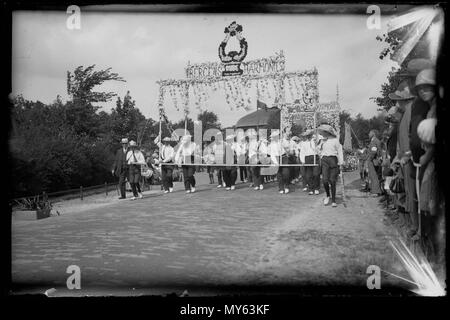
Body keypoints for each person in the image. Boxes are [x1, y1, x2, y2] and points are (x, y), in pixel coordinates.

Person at [318, 124, 343, 207]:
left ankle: (334, 200)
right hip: (324, 160)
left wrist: (341, 162)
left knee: (332, 181)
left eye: (323, 133)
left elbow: (339, 151)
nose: (322, 134)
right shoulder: (322, 141)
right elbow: (317, 150)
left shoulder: (335, 140)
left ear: (327, 132)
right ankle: (328, 195)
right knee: (325, 180)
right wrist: (319, 146)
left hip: (333, 160)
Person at [300, 129, 321, 195]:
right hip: (307, 158)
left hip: (315, 157)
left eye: (309, 135)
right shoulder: (303, 143)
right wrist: (302, 161)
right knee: (308, 175)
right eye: (307, 135)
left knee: (316, 174)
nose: (308, 136)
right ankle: (311, 188)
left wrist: (315, 143)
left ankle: (316, 188)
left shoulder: (314, 141)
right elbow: (302, 152)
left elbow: (318, 147)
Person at [366, 129, 382, 196]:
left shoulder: (373, 141)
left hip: (372, 161)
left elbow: (373, 151)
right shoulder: (377, 140)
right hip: (375, 160)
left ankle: (375, 191)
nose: (368, 134)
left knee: (373, 176)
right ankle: (375, 190)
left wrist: (370, 158)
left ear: (373, 134)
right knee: (375, 176)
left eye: (370, 133)